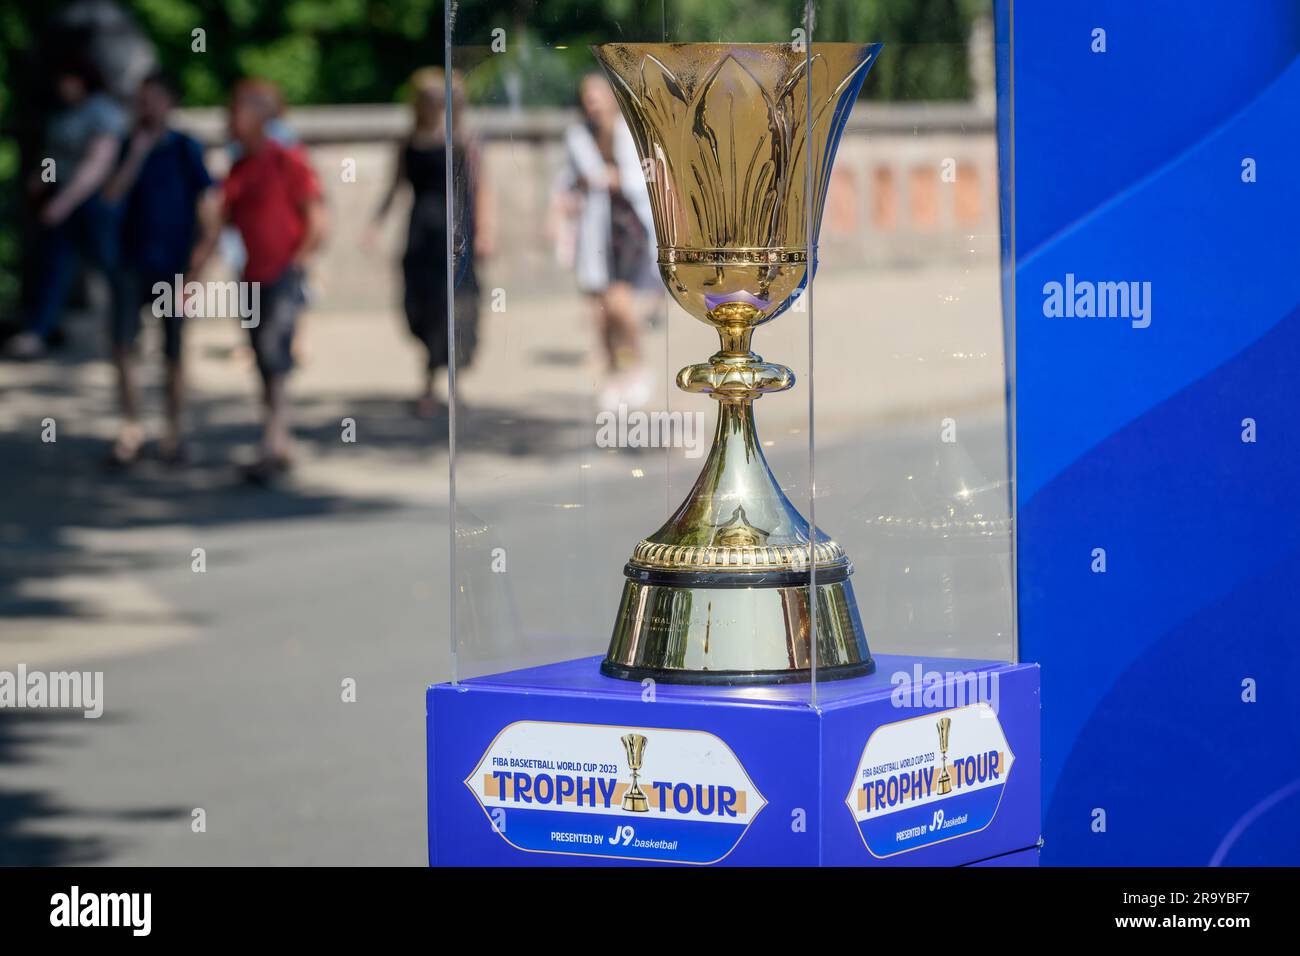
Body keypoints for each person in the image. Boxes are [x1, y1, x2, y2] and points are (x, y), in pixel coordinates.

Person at [190, 78, 327, 484]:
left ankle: (275, 441)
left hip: (282, 272)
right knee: (264, 362)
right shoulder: (239, 167)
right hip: (250, 276)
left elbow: (316, 219)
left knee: (274, 354)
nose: (229, 122)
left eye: (236, 114)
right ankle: (276, 437)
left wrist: (297, 263)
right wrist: (194, 274)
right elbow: (219, 227)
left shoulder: (287, 159)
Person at [101, 70, 219, 467]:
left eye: (153, 98)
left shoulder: (187, 148)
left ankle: (174, 430)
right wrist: (136, 153)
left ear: (169, 102)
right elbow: (112, 194)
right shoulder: (125, 145)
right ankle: (131, 427)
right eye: (142, 99)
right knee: (122, 345)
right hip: (131, 263)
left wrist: (196, 271)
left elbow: (208, 210)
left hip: (174, 267)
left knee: (173, 353)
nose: (146, 106)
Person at [369, 68, 493, 417]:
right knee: (419, 307)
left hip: (456, 233)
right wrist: (375, 224)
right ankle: (434, 378)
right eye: (430, 99)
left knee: (452, 307)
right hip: (421, 233)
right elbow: (394, 187)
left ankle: (444, 386)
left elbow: (481, 188)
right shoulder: (408, 141)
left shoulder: (464, 141)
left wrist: (485, 231)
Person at [7, 52, 125, 358]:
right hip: (64, 198)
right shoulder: (66, 113)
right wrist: (42, 179)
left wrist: (64, 201)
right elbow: (53, 157)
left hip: (92, 202)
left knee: (109, 266)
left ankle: (125, 330)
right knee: (54, 266)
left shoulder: (102, 113)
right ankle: (39, 331)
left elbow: (97, 165)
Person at [553, 73, 656, 409]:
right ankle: (616, 371)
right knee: (600, 311)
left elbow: (644, 179)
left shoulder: (628, 132)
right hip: (595, 230)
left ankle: (636, 367)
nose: (591, 102)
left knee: (618, 304)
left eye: (596, 95)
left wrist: (613, 179)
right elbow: (569, 179)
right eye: (587, 96)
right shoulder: (579, 136)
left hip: (627, 228)